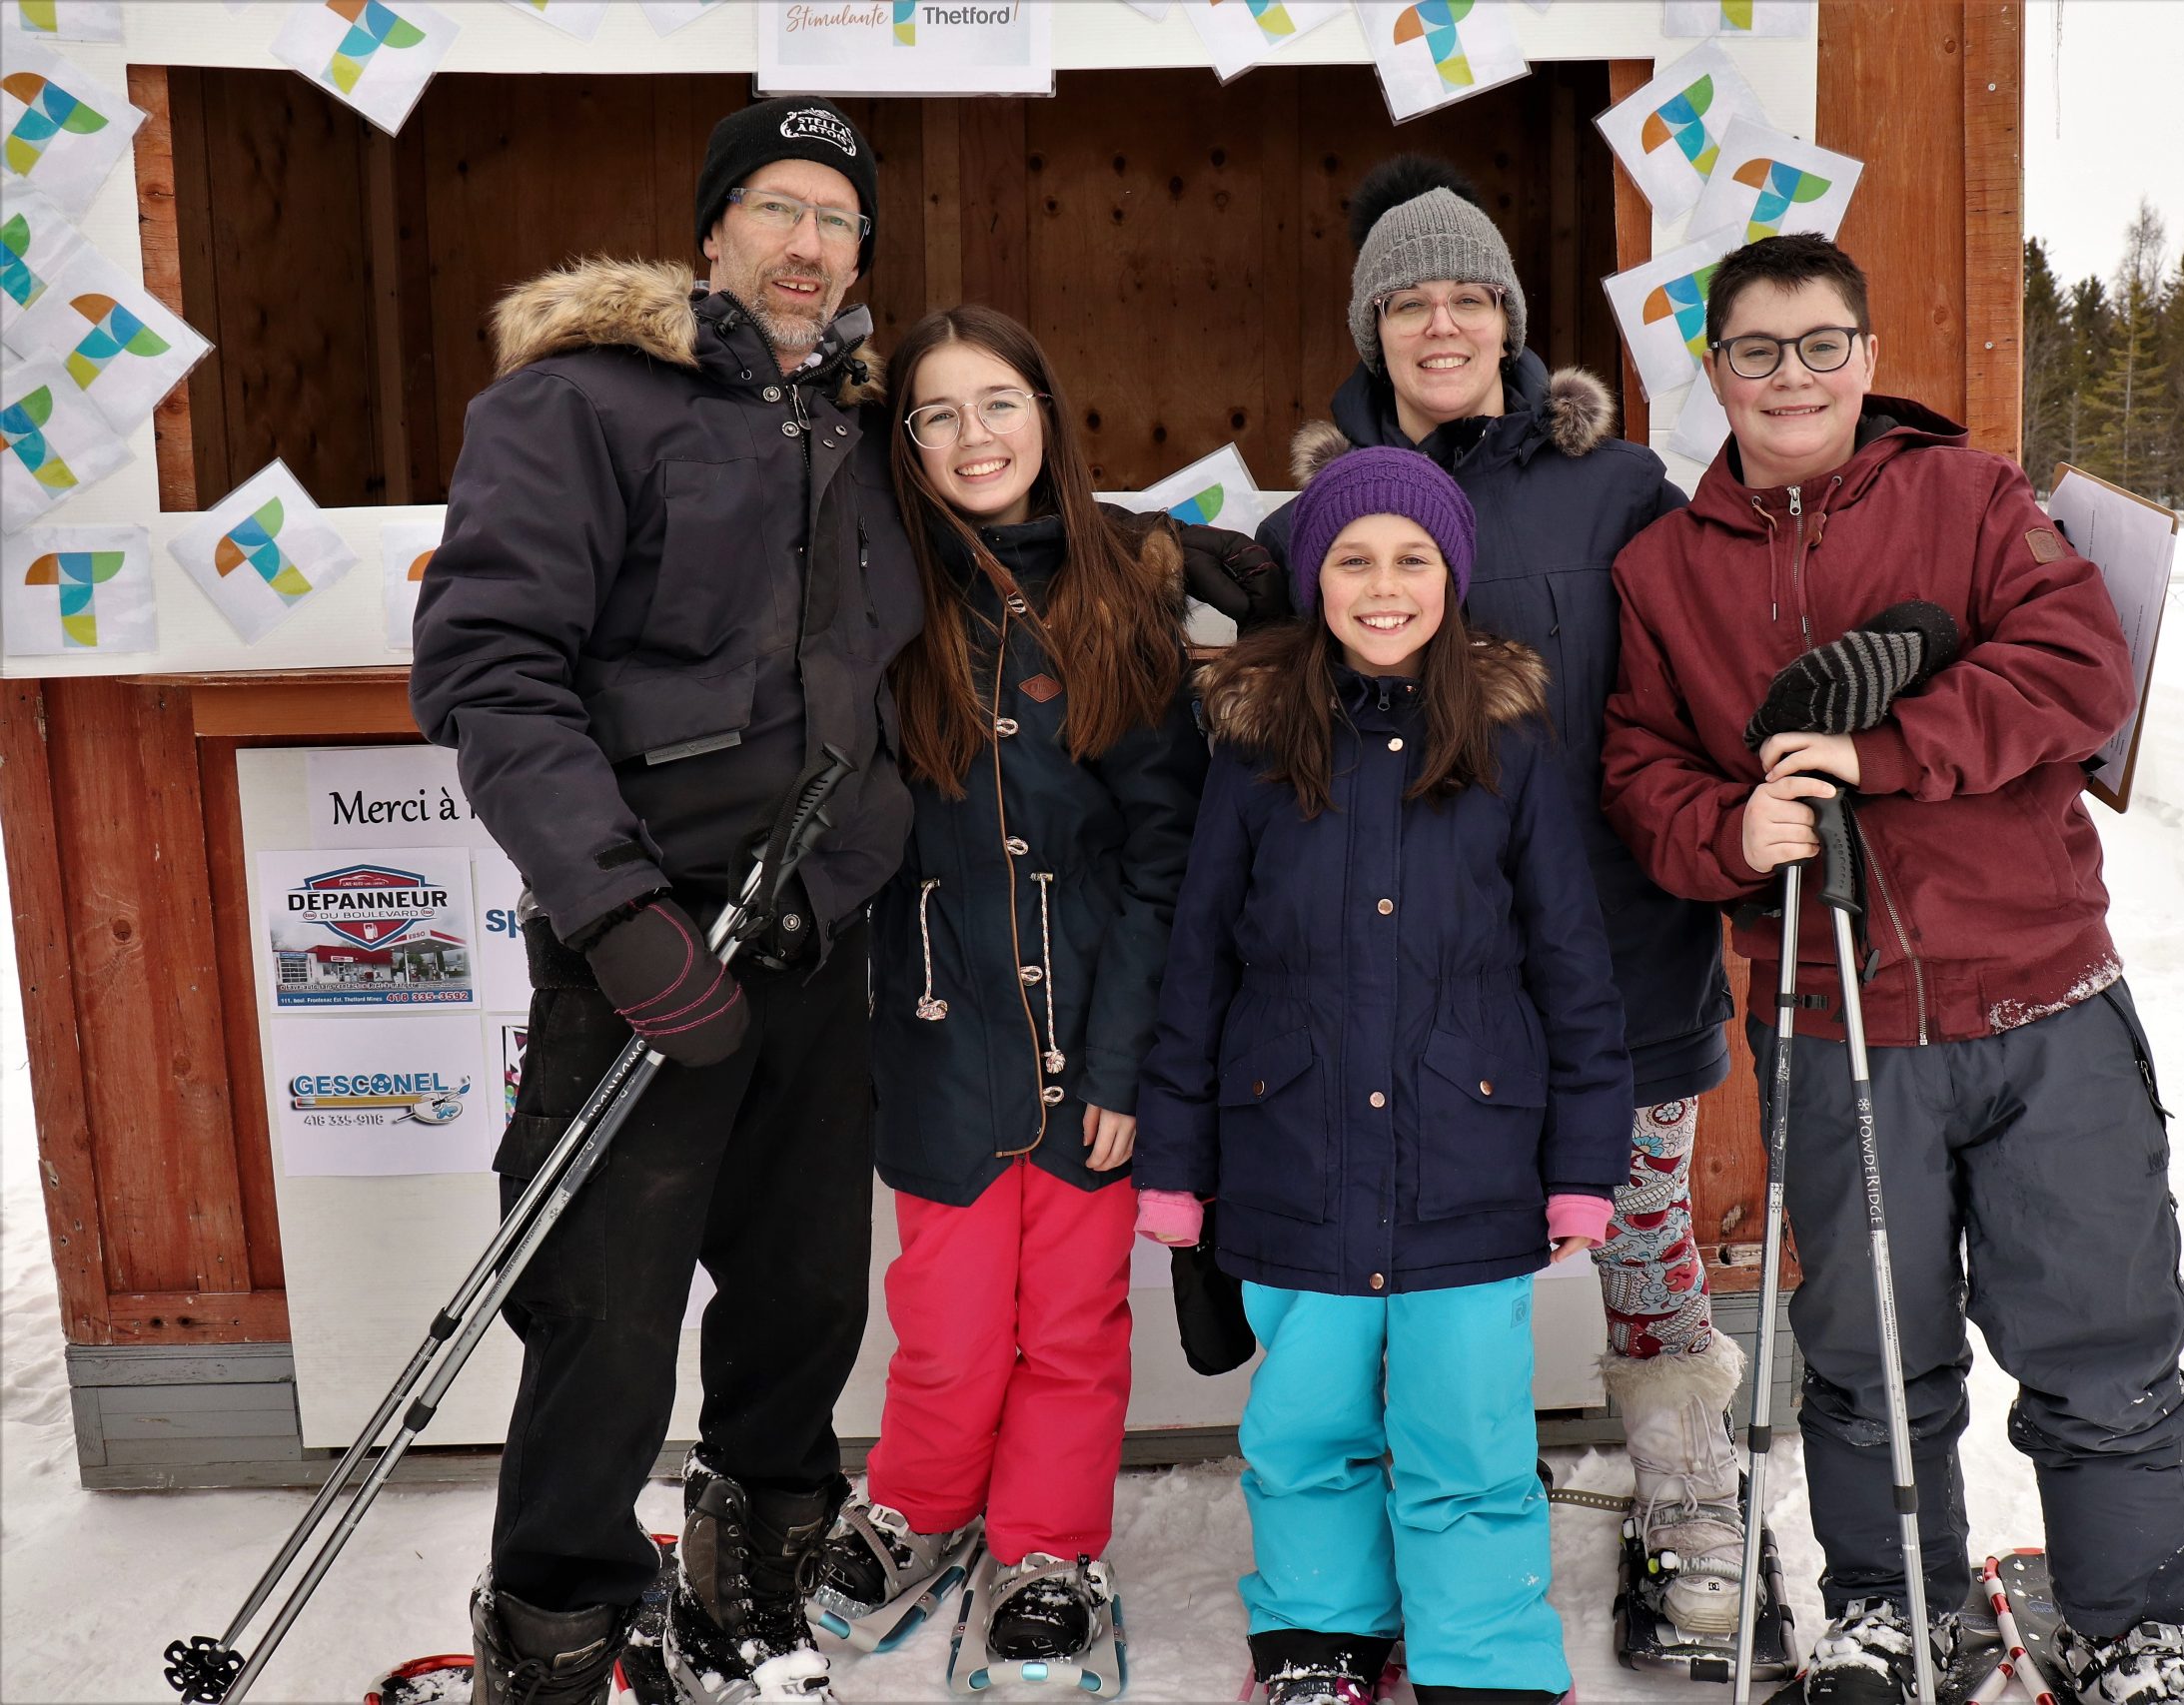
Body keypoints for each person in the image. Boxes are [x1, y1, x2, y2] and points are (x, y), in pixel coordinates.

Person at [1603, 232, 2184, 1705]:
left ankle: (2131, 1620)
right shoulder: (1663, 569)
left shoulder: (1970, 497)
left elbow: (2078, 670)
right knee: (1867, 1345)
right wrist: (1729, 827)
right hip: (1837, 1015)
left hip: (2042, 996)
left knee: (2100, 1329)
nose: (1793, 376)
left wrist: (1879, 749)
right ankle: (1894, 1606)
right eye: (1758, 350)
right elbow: (1636, 771)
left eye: (1822, 343)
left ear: (1867, 356)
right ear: (1715, 371)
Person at [410, 96, 919, 1705]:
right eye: (777, 206)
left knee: (804, 1297)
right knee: (605, 1316)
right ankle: (558, 1628)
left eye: (838, 219)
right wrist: (619, 913)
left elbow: (1014, 527)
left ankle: (755, 1564)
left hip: (817, 931)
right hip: (651, 940)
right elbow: (490, 663)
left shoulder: (862, 423)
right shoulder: (582, 402)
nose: (807, 243)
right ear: (712, 231)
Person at [1251, 157, 1756, 1643]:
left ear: (1512, 319)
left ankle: (1684, 1487)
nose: (1442, 325)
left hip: (1612, 951)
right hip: (1406, 981)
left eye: (1470, 297)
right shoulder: (1320, 513)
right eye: (1409, 301)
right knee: (1413, 1250)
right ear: (1371, 326)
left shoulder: (1621, 491)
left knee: (1642, 1231)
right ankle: (1432, 1496)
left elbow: (1707, 674)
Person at [1137, 445, 1634, 1705]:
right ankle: (1322, 1633)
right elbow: (1198, 960)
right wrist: (1176, 1162)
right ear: (1313, 579)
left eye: (1412, 559)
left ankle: (1482, 1658)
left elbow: (1572, 965)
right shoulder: (1253, 745)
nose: (1383, 586)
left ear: (1451, 580)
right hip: (1290, 1156)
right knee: (1305, 1427)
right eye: (1352, 560)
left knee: (1465, 1434)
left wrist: (1582, 1166)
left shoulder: (1509, 742)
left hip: (1468, 1160)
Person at [808, 306, 1213, 1683]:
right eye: (938, 413)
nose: (973, 436)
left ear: (1045, 414)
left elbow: (1164, 853)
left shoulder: (1116, 596)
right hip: (943, 1033)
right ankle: (920, 1507)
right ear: (906, 444)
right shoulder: (878, 604)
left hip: (1092, 1033)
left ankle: (1046, 1546)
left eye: (998, 403)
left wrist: (1124, 1061)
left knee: (1074, 1326)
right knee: (950, 1319)